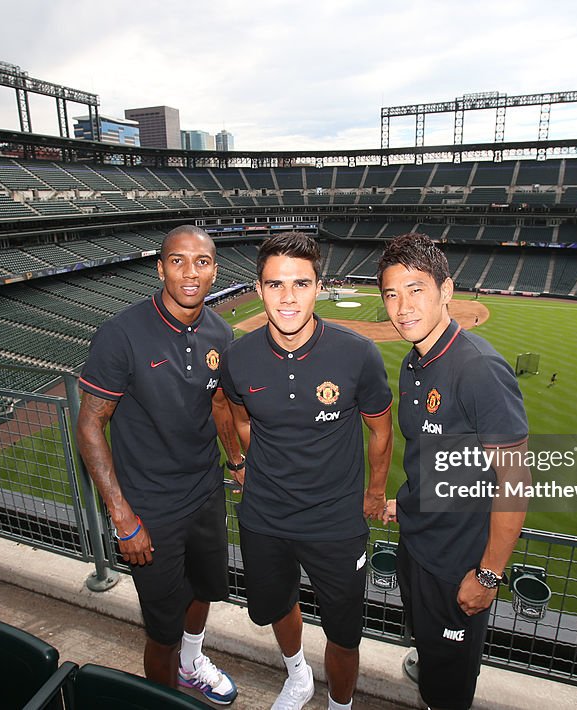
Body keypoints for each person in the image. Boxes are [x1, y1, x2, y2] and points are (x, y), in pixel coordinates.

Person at [219, 232, 394, 710]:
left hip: (336, 523)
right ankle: (297, 676)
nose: (288, 297)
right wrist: (244, 463)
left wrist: (375, 493)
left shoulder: (358, 354)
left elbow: (381, 431)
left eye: (300, 283)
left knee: (344, 631)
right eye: (275, 285)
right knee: (277, 606)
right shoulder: (240, 357)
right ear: (258, 289)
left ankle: (340, 705)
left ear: (319, 286)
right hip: (265, 518)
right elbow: (236, 415)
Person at [76, 225, 241, 706]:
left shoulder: (219, 331)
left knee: (206, 590)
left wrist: (236, 461)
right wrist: (122, 516)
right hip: (150, 505)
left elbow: (217, 406)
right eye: (178, 261)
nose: (190, 272)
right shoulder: (122, 333)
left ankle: (192, 664)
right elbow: (90, 425)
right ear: (160, 267)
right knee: (162, 629)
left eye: (202, 262)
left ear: (214, 270)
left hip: (205, 490)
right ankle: (164, 700)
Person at [377, 232, 532, 710]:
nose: (402, 307)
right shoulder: (413, 363)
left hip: (458, 565)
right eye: (391, 294)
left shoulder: (480, 368)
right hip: (417, 548)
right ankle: (429, 664)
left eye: (416, 289)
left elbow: (516, 482)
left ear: (446, 291)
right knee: (429, 648)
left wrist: (488, 576)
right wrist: (405, 503)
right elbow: (433, 457)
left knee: (449, 688)